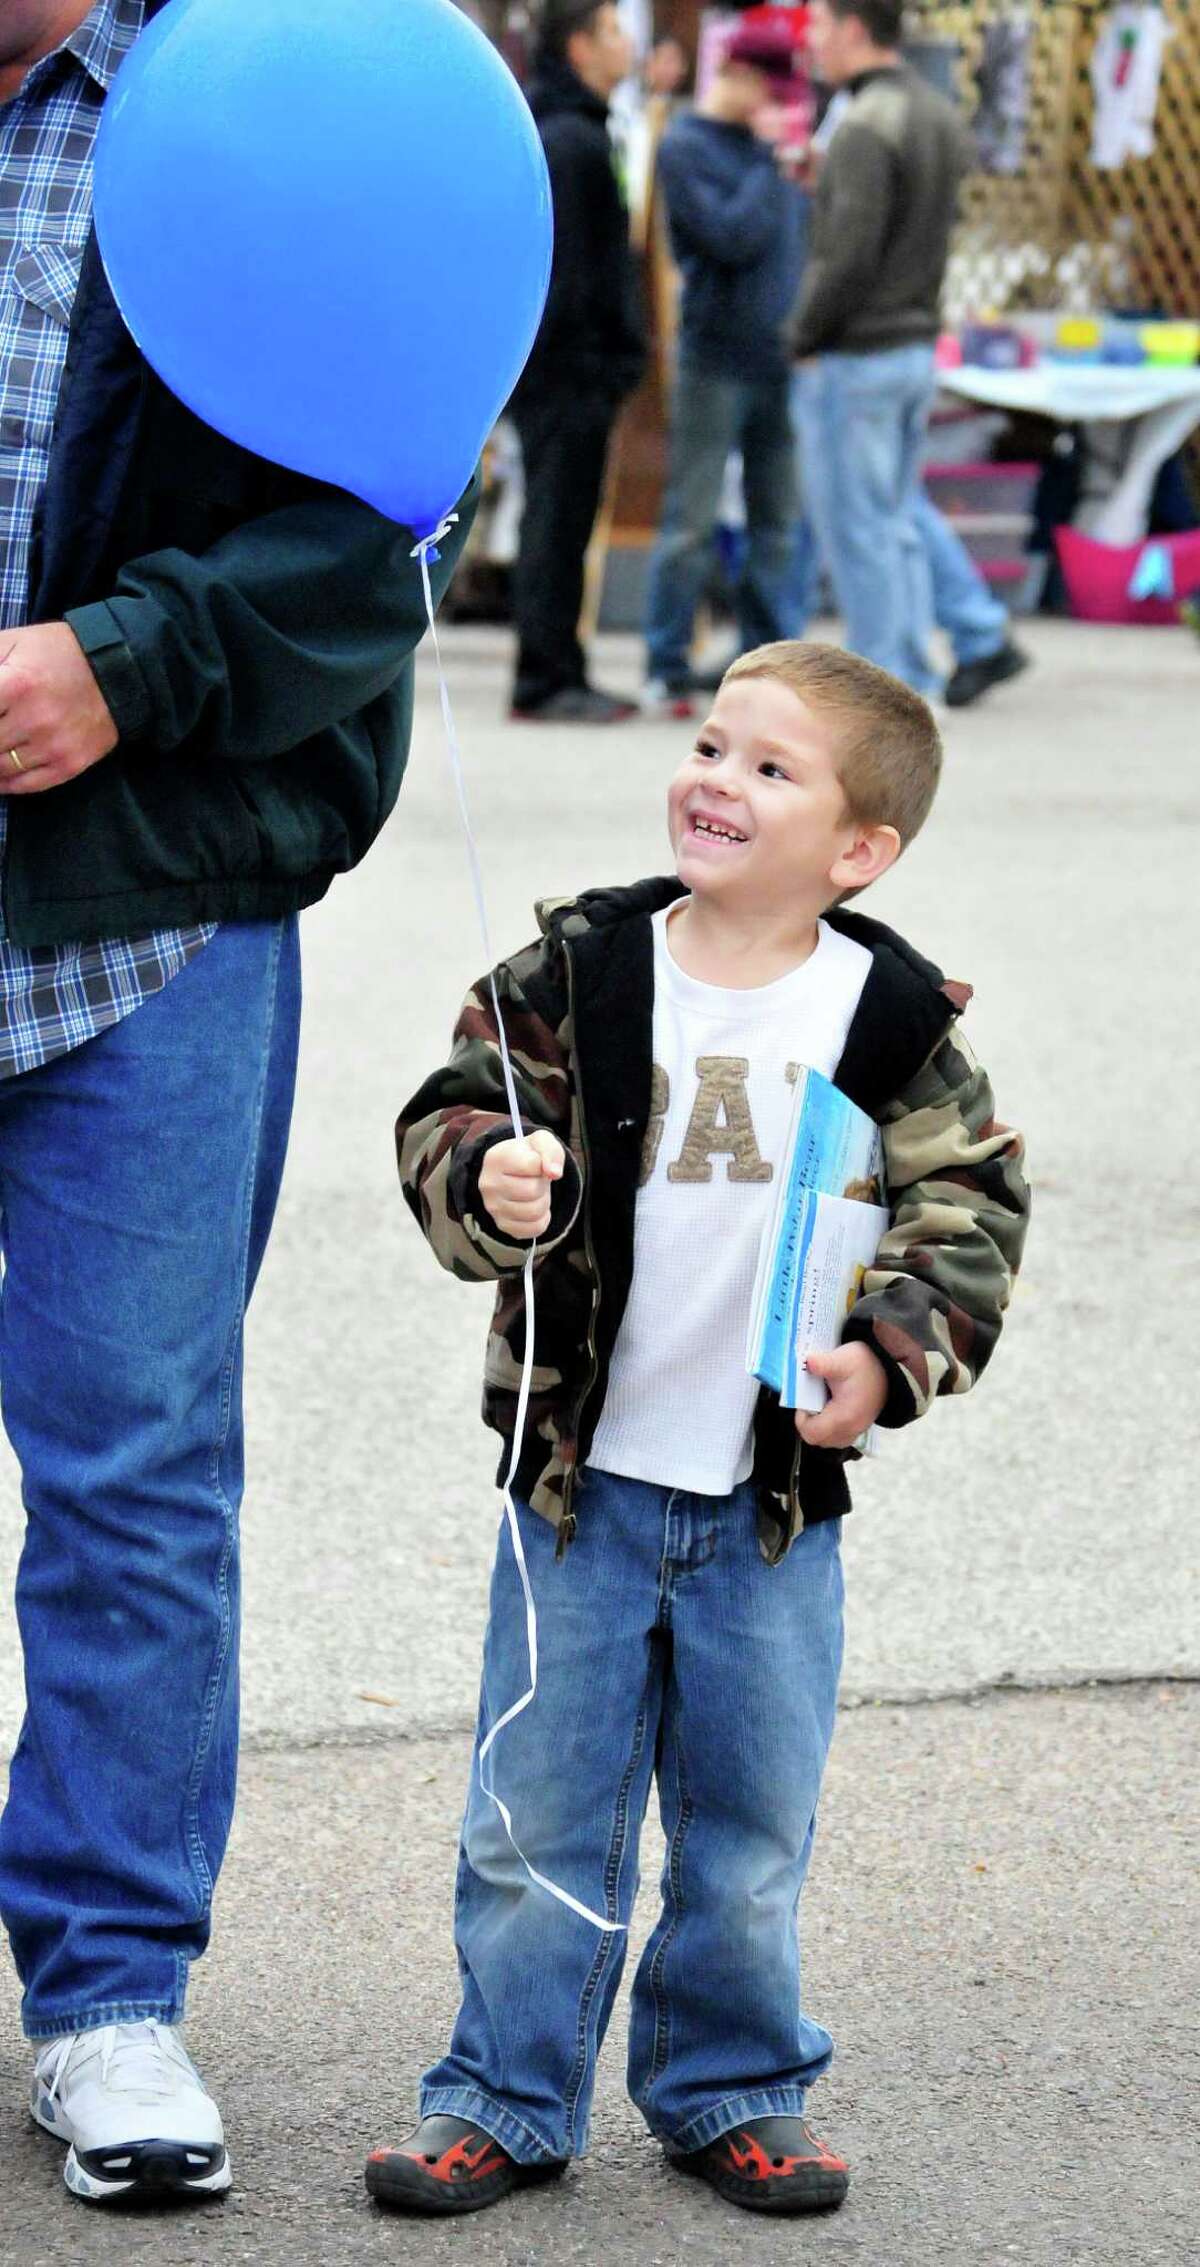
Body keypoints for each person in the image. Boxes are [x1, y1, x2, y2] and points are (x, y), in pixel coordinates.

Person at [0, 0, 472, 2208]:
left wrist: (124, 658)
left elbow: (367, 545)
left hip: (144, 916)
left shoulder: (283, 99)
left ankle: (106, 1992)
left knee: (135, 1472)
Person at [370, 639, 1030, 2216]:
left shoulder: (886, 1014)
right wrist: (488, 1178)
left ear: (858, 847)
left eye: (770, 768)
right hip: (576, 1494)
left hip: (769, 1513)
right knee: (532, 1817)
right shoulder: (580, 971)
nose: (718, 780)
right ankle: (507, 2090)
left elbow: (971, 1200)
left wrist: (890, 1351)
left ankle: (731, 2079)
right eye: (712, 743)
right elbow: (449, 1113)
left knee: (746, 1824)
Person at [791, 0, 1029, 706]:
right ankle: (914, 672)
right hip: (914, 343)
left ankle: (885, 687)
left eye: (824, 26)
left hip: (857, 351)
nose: (816, 41)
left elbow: (849, 255)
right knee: (893, 520)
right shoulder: (936, 114)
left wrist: (802, 334)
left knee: (860, 530)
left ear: (857, 29)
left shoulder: (864, 124)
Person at [642, 22, 809, 716]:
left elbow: (798, 244)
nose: (775, 106)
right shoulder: (686, 146)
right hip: (715, 355)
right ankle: (666, 661)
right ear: (735, 74)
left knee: (779, 520)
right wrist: (771, 165)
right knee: (692, 518)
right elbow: (729, 238)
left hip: (784, 356)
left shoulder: (775, 155)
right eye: (769, 90)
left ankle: (774, 659)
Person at [510, 1, 646, 723]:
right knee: (555, 519)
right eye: (614, 30)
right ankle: (544, 674)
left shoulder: (587, 133)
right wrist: (592, 358)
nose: (627, 45)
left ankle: (564, 663)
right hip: (565, 371)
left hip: (581, 368)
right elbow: (563, 275)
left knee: (567, 519)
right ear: (580, 45)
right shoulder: (567, 141)